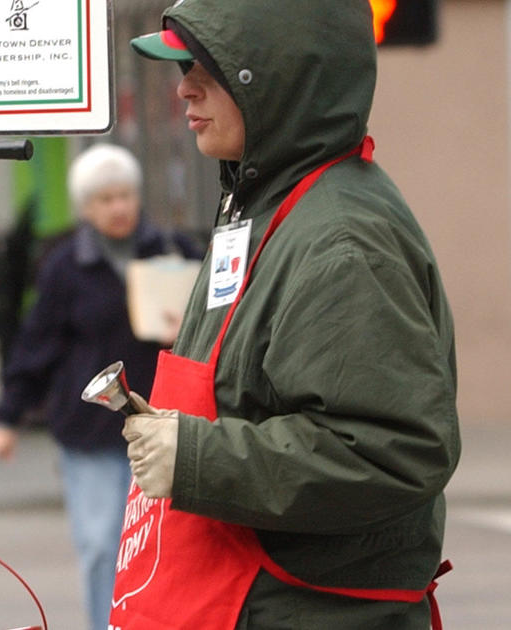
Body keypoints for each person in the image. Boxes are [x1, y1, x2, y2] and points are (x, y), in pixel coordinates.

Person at [112, 1, 460, 628]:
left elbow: (391, 451)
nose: (184, 85)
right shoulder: (263, 204)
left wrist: (195, 457)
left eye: (207, 67)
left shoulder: (341, 239)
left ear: (280, 79)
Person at [0, 143, 201, 630]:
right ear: (86, 207)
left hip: (164, 423)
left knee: (160, 542)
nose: (119, 207)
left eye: (126, 195)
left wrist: (185, 328)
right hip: (90, 430)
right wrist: (7, 416)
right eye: (105, 199)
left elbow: (218, 323)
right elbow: (36, 343)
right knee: (103, 541)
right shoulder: (66, 265)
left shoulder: (174, 250)